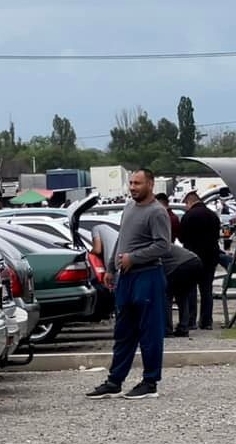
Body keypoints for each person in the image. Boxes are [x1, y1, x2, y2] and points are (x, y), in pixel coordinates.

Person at [86, 169, 173, 400]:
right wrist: (112, 268)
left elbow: (163, 246)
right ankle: (115, 381)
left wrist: (133, 258)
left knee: (149, 332)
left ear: (151, 184)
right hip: (125, 278)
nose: (133, 187)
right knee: (123, 332)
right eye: (131, 183)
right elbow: (122, 239)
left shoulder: (157, 213)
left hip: (148, 276)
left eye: (138, 183)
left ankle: (150, 381)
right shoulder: (129, 207)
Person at [178, 191, 223, 331]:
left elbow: (182, 238)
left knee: (191, 290)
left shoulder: (188, 216)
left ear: (189, 202)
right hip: (210, 257)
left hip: (192, 258)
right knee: (206, 290)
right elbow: (217, 235)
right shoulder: (213, 216)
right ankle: (206, 321)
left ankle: (191, 320)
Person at [160, 243, 204, 338]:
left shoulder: (154, 249)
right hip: (195, 261)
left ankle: (167, 329)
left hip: (181, 265)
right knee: (183, 296)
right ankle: (183, 328)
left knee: (166, 297)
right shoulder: (165, 245)